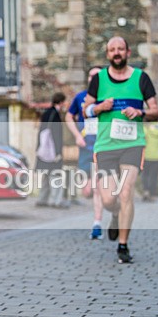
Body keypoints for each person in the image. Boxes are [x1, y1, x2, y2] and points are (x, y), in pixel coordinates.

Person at [82, 36, 158, 264]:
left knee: (126, 193)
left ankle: (123, 245)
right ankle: (115, 214)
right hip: (106, 146)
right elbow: (85, 109)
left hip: (132, 144)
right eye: (112, 49)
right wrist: (99, 107)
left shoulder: (141, 78)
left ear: (128, 52)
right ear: (107, 54)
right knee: (108, 199)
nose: (116, 52)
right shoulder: (98, 79)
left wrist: (141, 113)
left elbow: (156, 111)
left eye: (120, 49)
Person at [65, 67, 104, 238]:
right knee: (86, 190)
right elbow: (68, 116)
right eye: (91, 75)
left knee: (97, 189)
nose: (93, 78)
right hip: (85, 148)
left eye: (97, 76)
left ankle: (97, 223)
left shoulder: (108, 98)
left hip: (102, 148)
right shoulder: (81, 97)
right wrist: (76, 136)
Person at [35, 92, 68, 209]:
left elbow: (40, 132)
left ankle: (42, 199)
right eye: (64, 102)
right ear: (60, 102)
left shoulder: (46, 113)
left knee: (46, 175)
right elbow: (56, 135)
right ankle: (56, 200)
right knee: (56, 175)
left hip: (43, 151)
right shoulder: (56, 115)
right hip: (52, 152)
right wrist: (58, 152)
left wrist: (38, 148)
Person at [141, 119, 158, 201]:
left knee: (145, 175)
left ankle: (146, 191)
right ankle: (151, 194)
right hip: (157, 156)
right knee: (154, 176)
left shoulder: (146, 128)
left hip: (146, 155)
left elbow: (142, 140)